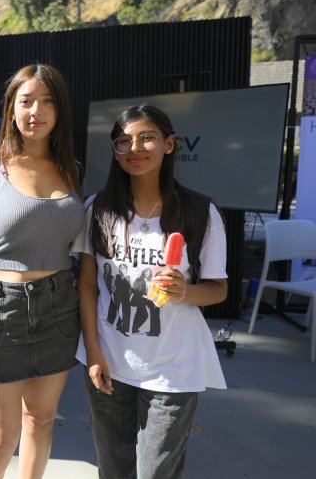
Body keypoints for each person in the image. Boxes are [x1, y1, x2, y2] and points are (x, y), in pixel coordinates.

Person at [76, 103, 228, 478]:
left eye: (147, 138)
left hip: (173, 366)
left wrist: (183, 291)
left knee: (156, 471)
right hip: (110, 360)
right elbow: (88, 286)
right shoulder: (97, 209)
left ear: (169, 144)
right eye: (124, 141)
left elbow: (218, 289)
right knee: (113, 468)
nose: (135, 148)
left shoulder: (200, 212)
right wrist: (93, 351)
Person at [0, 63, 85, 478]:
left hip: (58, 310)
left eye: (47, 101)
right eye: (26, 101)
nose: (36, 111)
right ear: (11, 109)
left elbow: (73, 243)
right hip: (0, 313)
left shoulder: (71, 169)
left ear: (59, 110)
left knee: (40, 421)